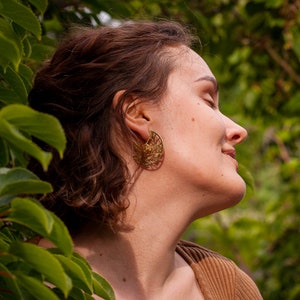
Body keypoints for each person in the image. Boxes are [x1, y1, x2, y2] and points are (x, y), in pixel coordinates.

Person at [28, 20, 263, 300]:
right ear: (138, 114)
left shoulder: (230, 289)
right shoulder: (23, 282)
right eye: (209, 100)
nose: (238, 130)